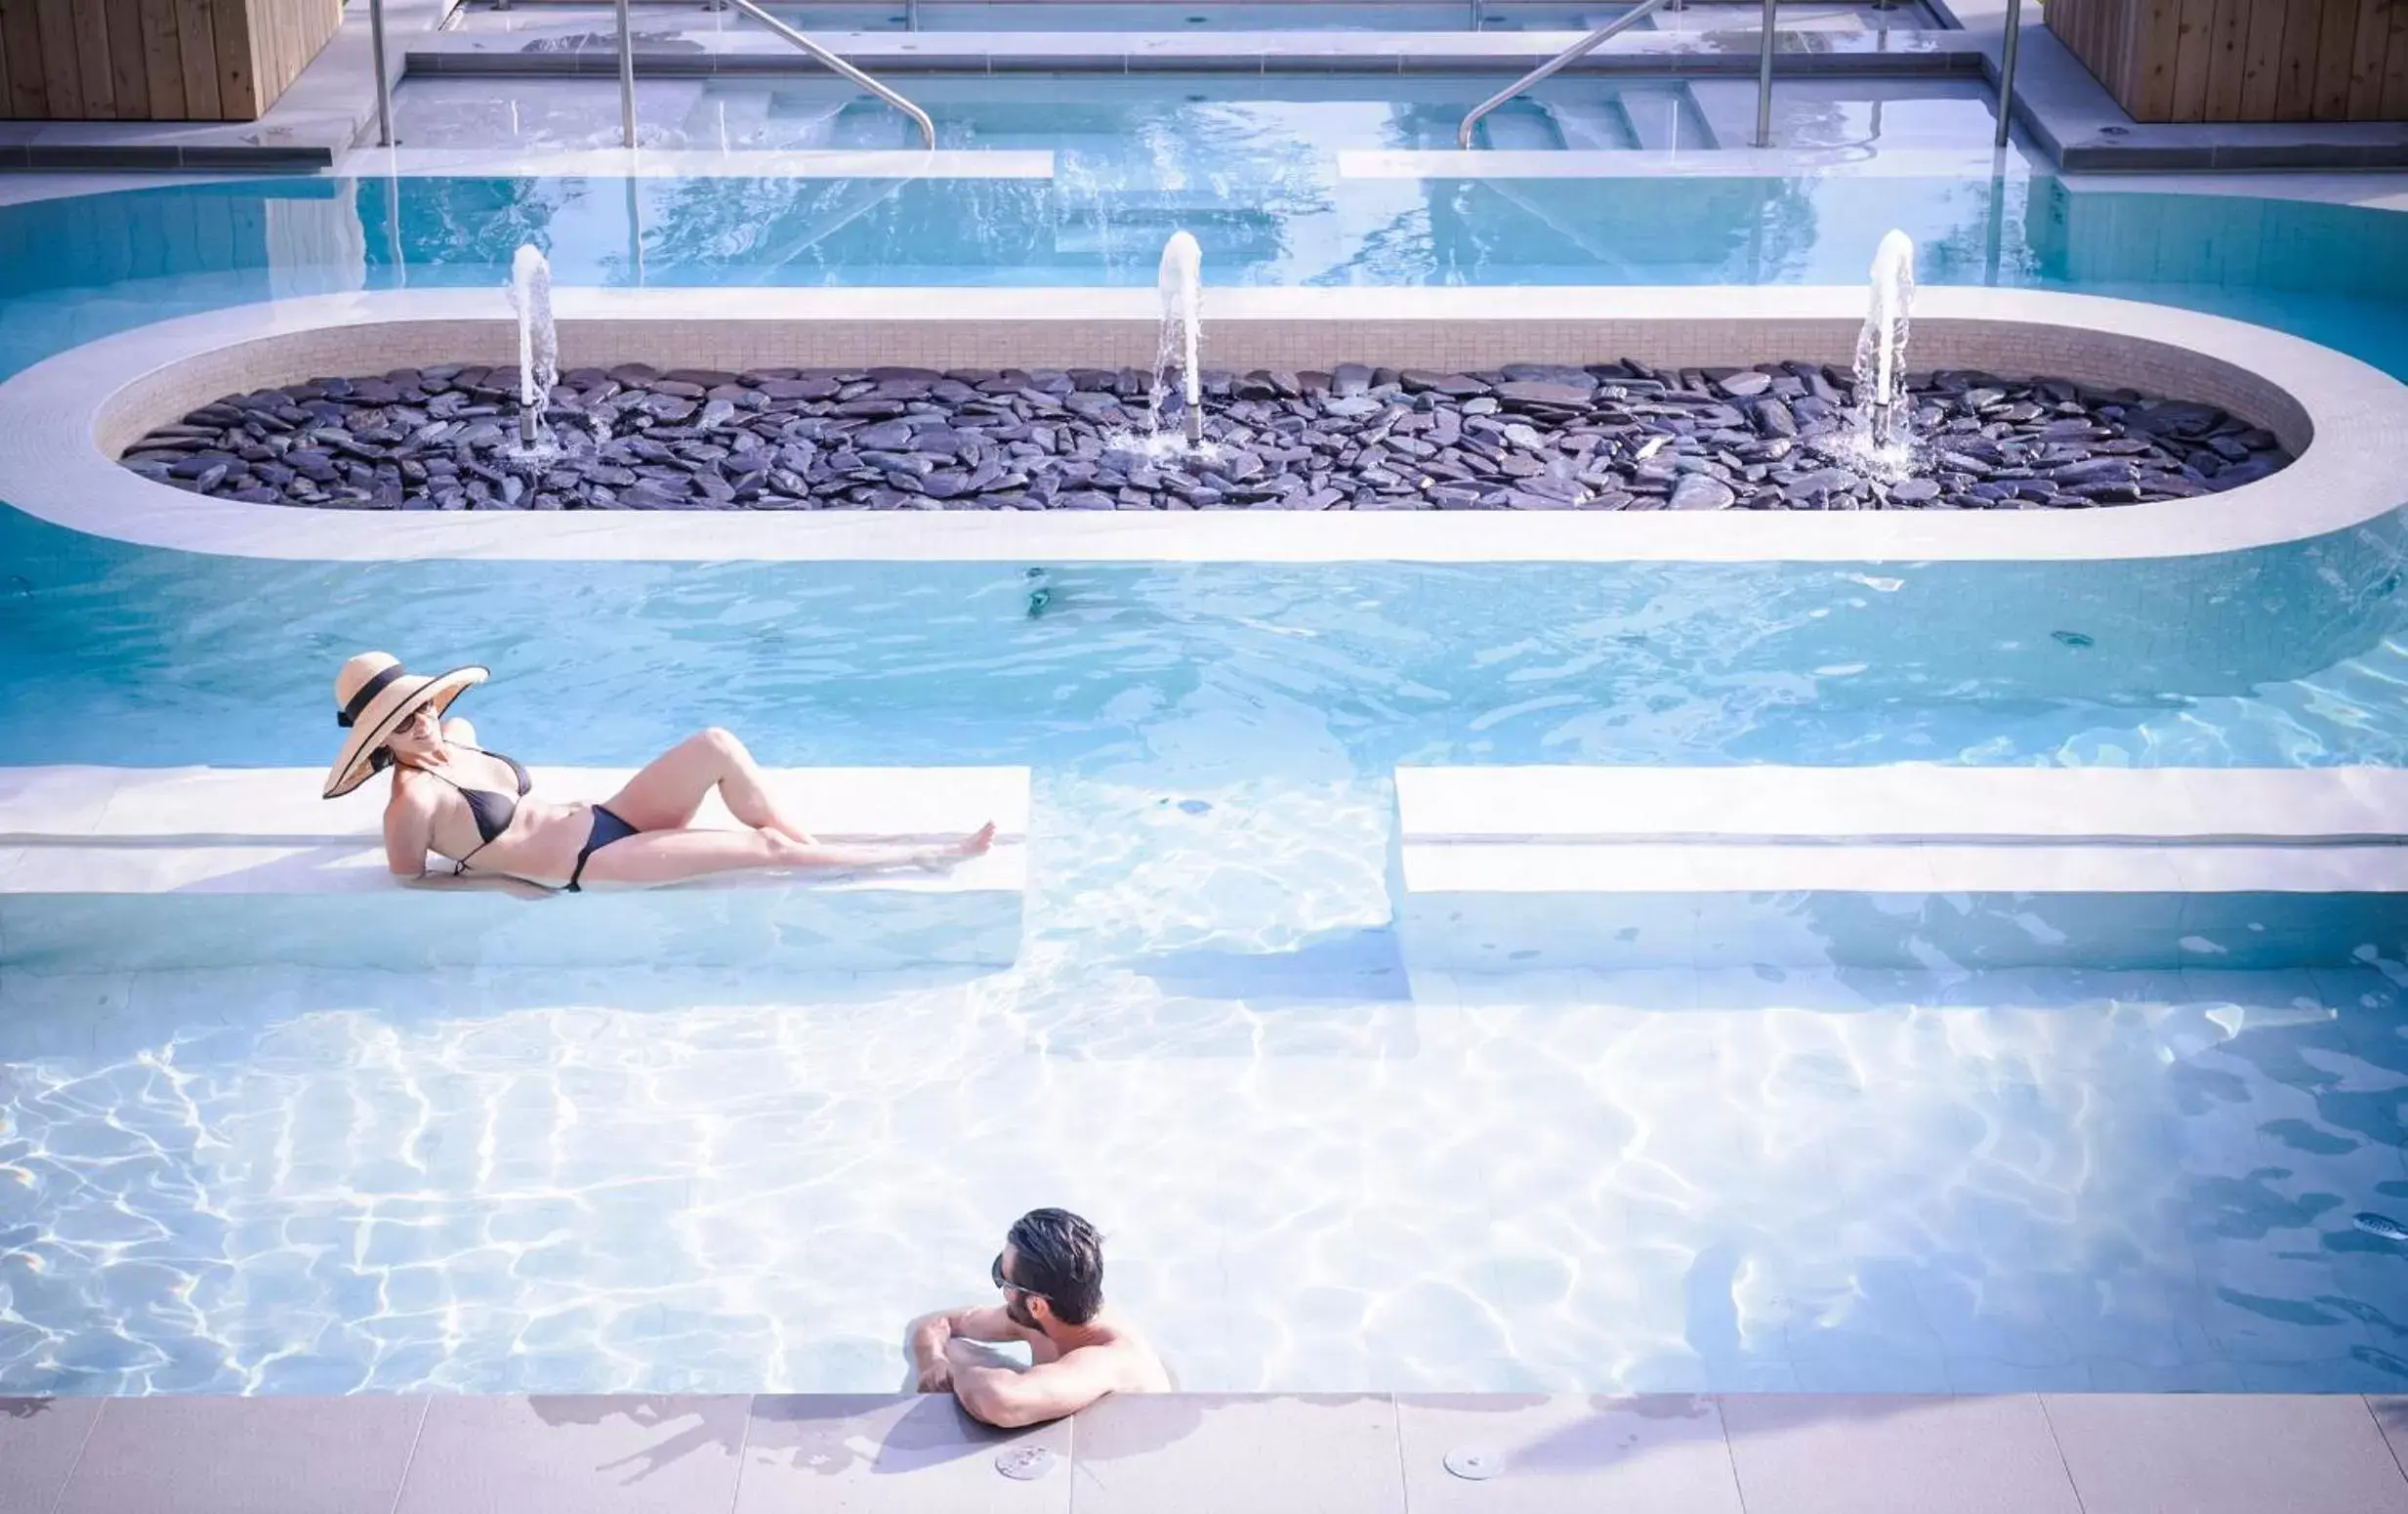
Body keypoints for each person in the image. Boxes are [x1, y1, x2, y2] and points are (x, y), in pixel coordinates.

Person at [323, 652, 994, 894]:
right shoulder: (407, 803)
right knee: (763, 850)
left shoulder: (461, 736)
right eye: (404, 722)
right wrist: (496, 875)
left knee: (715, 744)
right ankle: (920, 858)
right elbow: (408, 879)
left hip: (603, 815)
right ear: (381, 739)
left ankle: (810, 850)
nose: (425, 723)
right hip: (587, 863)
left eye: (422, 708)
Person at [906, 1208, 1170, 1427]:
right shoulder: (1045, 1315)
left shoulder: (1110, 1358)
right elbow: (937, 1325)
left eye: (1003, 1278)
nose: (1002, 1290)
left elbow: (1002, 1402)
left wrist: (951, 1375)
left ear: (1036, 1305)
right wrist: (934, 1364)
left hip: (1119, 1456)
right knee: (953, 1347)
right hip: (1050, 1388)